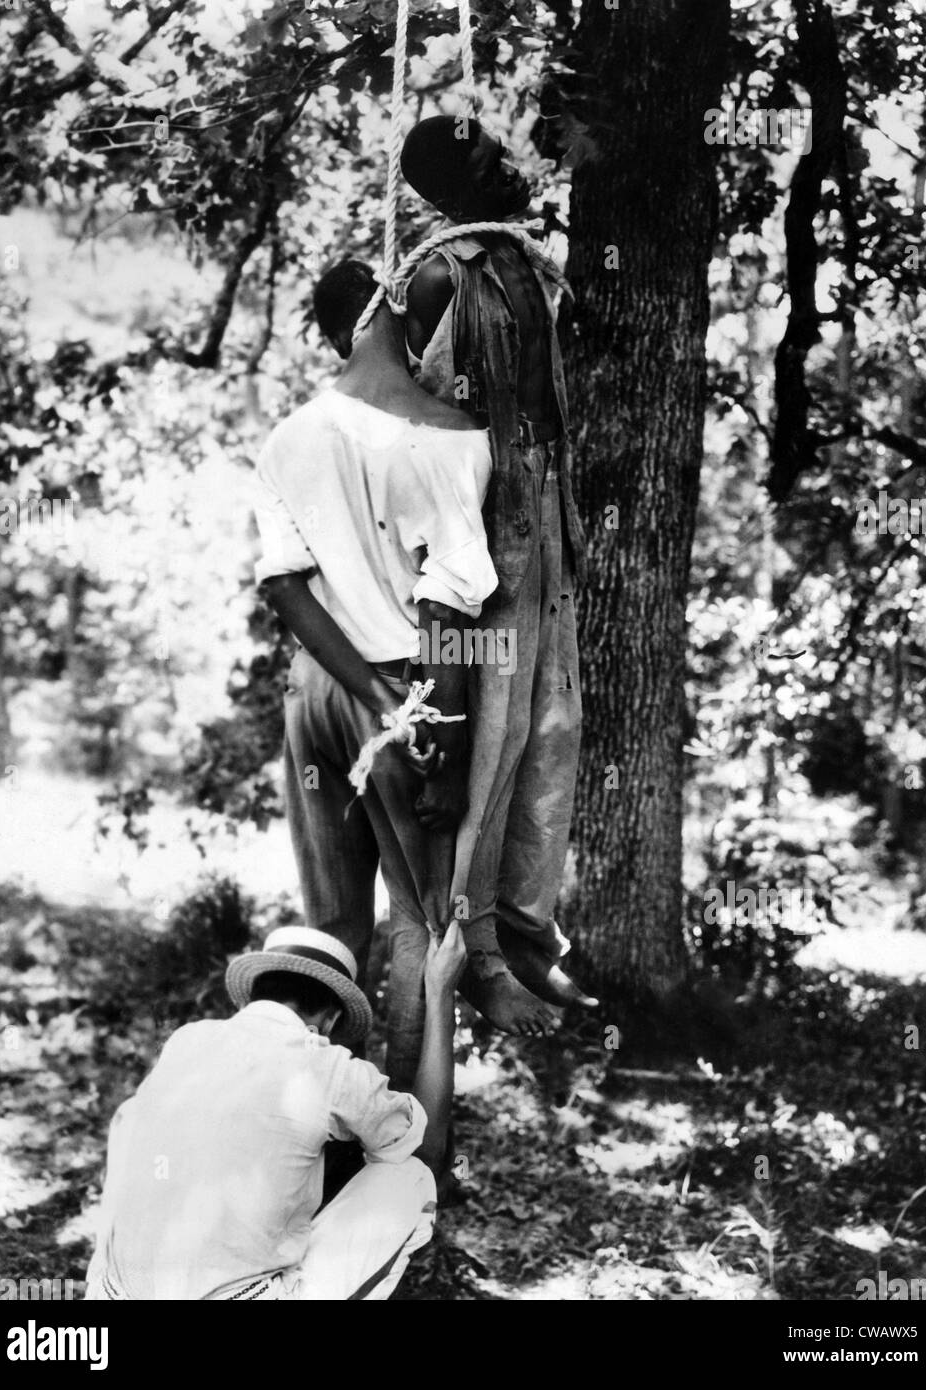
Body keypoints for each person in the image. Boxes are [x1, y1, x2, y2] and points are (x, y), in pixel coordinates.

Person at [255, 260, 560, 1082]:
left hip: (316, 688)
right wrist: (433, 727)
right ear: (394, 311)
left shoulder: (289, 436)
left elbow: (283, 586)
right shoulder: (450, 435)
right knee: (424, 931)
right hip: (406, 689)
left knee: (331, 933)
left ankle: (316, 1127)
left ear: (329, 339)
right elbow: (445, 608)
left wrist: (360, 688)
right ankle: (413, 1155)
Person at [398, 114, 596, 1028]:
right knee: (492, 744)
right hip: (485, 541)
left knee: (554, 731)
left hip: (545, 517)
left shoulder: (522, 261)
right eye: (487, 159)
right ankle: (472, 952)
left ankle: (527, 930)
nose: (510, 165)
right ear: (454, 185)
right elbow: (421, 432)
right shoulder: (441, 276)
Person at [85, 922, 466, 1301]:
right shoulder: (326, 1065)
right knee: (410, 1174)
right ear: (330, 1021)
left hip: (115, 1292)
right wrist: (441, 991)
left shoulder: (186, 1041)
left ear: (254, 996)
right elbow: (427, 1149)